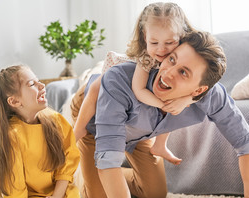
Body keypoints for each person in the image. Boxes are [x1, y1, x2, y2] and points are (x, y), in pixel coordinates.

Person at [71, 30, 249, 198]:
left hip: (141, 130)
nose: (168, 73)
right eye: (171, 59)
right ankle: (84, 173)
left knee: (155, 194)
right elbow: (109, 159)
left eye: (184, 72)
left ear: (199, 90)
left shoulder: (211, 96)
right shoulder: (120, 81)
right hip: (95, 117)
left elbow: (246, 142)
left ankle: (109, 177)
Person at [73, 2, 197, 165]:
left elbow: (202, 87)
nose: (162, 50)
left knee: (176, 102)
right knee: (98, 85)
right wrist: (162, 104)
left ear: (182, 36)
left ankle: (160, 145)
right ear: (145, 37)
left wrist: (185, 100)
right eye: (154, 43)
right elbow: (138, 90)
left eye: (169, 43)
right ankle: (79, 128)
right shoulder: (146, 57)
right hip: (120, 76)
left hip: (146, 105)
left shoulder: (185, 56)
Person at [0, 65, 91, 198]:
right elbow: (13, 182)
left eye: (38, 80)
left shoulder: (56, 121)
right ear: (15, 102)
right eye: (32, 84)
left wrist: (57, 196)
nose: (42, 86)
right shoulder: (13, 136)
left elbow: (67, 160)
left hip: (59, 189)